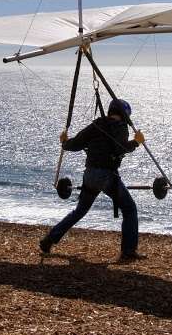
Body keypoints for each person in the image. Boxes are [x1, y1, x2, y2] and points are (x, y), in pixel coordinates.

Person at [39, 98, 147, 262]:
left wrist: (65, 142)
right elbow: (120, 148)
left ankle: (49, 240)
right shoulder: (121, 127)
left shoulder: (97, 124)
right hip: (106, 176)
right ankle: (128, 251)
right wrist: (136, 142)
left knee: (80, 211)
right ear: (125, 115)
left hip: (90, 175)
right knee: (129, 209)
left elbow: (76, 144)